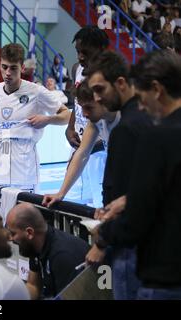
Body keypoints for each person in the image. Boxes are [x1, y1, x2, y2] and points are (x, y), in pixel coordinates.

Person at [87, 50, 181, 300]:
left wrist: (103, 236)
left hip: (161, 270)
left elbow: (140, 214)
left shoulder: (152, 134)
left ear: (157, 90)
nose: (141, 105)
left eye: (142, 97)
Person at [83, 50, 153, 300]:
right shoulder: (152, 120)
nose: (98, 98)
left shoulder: (127, 129)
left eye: (101, 90)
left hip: (130, 249)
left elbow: (124, 199)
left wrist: (102, 240)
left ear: (121, 83)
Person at [0, 43, 69, 191]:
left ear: (22, 68)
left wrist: (47, 119)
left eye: (13, 68)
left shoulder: (36, 91)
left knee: (25, 213)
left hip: (25, 168)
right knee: (1, 213)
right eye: (4, 67)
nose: (8, 73)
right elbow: (0, 120)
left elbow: (67, 115)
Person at [42, 81, 119, 208]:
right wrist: (61, 193)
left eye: (88, 107)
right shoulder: (95, 121)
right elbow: (82, 153)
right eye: (81, 107)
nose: (83, 114)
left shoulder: (128, 122)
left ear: (102, 100)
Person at [65, 25, 110, 207]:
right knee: (73, 205)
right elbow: (77, 104)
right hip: (79, 147)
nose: (80, 56)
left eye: (85, 52)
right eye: (78, 51)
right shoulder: (77, 68)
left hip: (100, 152)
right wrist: (69, 128)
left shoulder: (110, 77)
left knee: (100, 208)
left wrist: (88, 147)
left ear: (100, 50)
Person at [6, 202, 89, 299]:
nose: (10, 238)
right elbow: (33, 286)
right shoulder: (35, 245)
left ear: (29, 232)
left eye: (13, 233)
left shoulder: (63, 256)